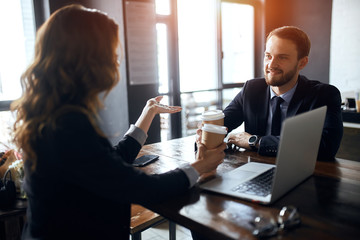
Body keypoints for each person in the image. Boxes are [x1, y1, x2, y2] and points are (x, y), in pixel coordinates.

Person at [11, 4, 226, 240]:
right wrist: (201, 166)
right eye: (111, 52)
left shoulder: (54, 113)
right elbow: (139, 188)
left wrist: (147, 114)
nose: (116, 60)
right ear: (89, 59)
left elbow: (106, 167)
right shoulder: (66, 124)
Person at [224, 26, 343, 161]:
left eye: (282, 57)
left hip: (301, 174)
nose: (271, 64)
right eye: (268, 56)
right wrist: (205, 135)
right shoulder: (251, 89)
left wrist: (256, 142)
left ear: (302, 63)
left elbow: (326, 147)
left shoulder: (324, 95)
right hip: (255, 171)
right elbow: (223, 123)